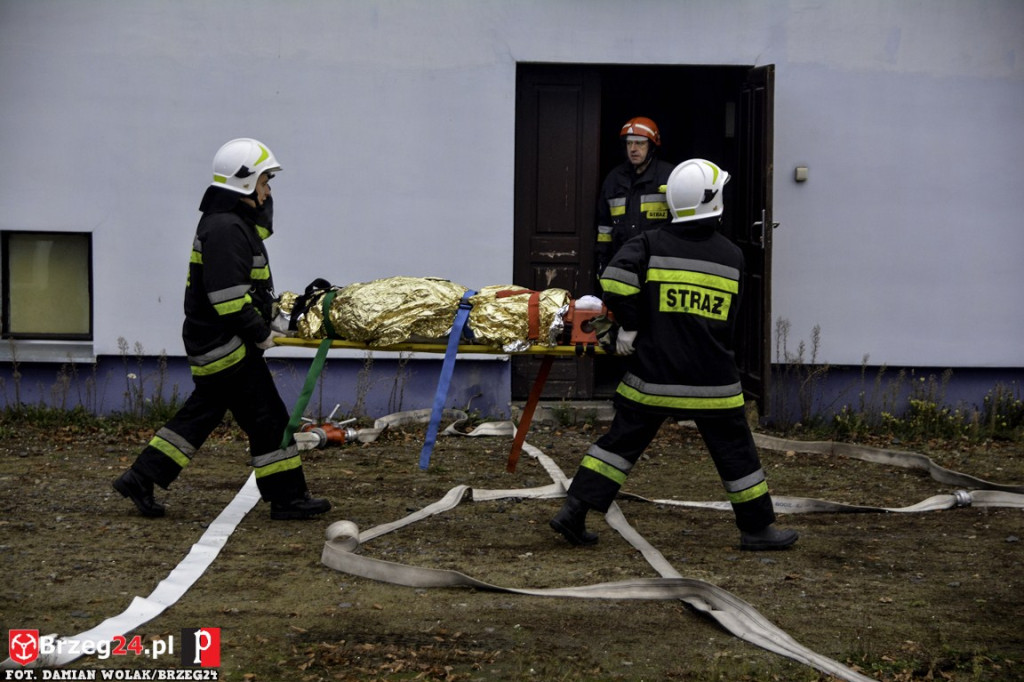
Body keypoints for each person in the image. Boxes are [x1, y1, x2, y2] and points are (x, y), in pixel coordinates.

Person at [552, 158, 798, 551]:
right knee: (736, 452)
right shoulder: (732, 256)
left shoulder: (648, 242)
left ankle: (573, 512)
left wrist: (631, 325)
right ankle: (757, 529)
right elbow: (730, 321)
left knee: (618, 445)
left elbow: (613, 280)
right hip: (712, 381)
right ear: (714, 201)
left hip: (653, 376)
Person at [113, 138, 331, 521]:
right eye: (265, 181)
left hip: (218, 343)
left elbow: (248, 290)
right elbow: (228, 298)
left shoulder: (230, 224)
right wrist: (260, 332)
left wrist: (271, 316)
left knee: (201, 415)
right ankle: (287, 498)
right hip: (226, 347)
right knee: (268, 418)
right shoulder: (228, 228)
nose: (268, 190)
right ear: (245, 182)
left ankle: (141, 477)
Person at [594, 116, 675, 281]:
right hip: (622, 266)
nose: (633, 148)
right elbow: (604, 228)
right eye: (629, 143)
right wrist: (602, 261)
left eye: (640, 143)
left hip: (659, 267)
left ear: (652, 146)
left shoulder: (670, 177)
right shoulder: (613, 180)